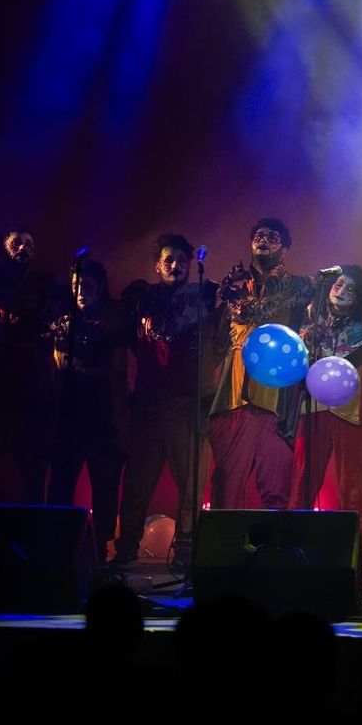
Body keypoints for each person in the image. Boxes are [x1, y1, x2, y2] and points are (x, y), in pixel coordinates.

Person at [111, 233, 218, 572]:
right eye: (169, 261)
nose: (175, 266)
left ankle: (187, 551)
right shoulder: (142, 299)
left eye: (182, 261)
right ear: (157, 265)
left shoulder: (204, 297)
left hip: (186, 404)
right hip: (147, 405)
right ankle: (126, 548)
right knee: (137, 482)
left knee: (190, 483)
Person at [208, 218, 313, 510]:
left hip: (276, 397)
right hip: (234, 393)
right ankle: (222, 552)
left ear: (285, 248)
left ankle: (274, 551)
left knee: (276, 484)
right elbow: (216, 340)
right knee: (226, 483)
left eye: (273, 236)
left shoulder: (300, 288)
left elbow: (310, 333)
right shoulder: (231, 287)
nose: (264, 240)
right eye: (258, 235)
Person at [46, 259, 127, 564]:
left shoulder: (113, 321)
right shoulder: (62, 320)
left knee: (105, 489)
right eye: (77, 285)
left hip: (103, 423)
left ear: (101, 288)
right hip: (67, 420)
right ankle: (56, 551)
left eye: (88, 286)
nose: (81, 291)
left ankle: (102, 552)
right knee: (60, 487)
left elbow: (118, 369)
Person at [0, 228, 55, 502]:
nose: (23, 248)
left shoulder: (43, 285)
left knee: (31, 466)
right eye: (16, 242)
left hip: (26, 390)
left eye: (29, 243)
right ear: (4, 246)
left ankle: (32, 532)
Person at [289, 265, 362, 523]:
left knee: (351, 486)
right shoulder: (308, 316)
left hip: (351, 411)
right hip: (313, 407)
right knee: (303, 480)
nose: (343, 291)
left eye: (352, 289)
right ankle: (294, 541)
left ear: (359, 297)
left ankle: (351, 549)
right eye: (338, 284)